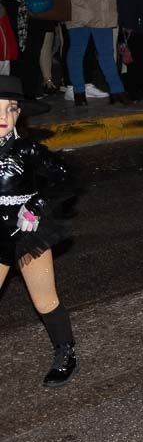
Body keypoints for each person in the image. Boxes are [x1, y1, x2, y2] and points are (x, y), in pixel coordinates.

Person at [0, 77, 77, 387]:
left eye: (11, 109)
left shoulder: (27, 150)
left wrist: (36, 204)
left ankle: (66, 352)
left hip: (27, 235)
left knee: (44, 300)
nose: (3, 118)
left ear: (20, 114)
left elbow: (65, 179)